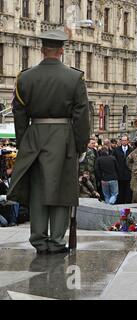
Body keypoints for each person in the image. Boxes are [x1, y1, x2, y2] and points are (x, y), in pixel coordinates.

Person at [6, 30, 90, 254]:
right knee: (62, 191)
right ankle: (56, 240)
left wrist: (25, 143)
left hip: (35, 136)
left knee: (38, 190)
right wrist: (81, 145)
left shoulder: (24, 77)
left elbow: (19, 115)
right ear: (62, 50)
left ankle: (38, 239)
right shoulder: (75, 78)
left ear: (42, 49)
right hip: (63, 138)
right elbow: (82, 116)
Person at [113, 135, 133, 204]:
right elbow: (114, 161)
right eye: (122, 140)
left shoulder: (131, 150)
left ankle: (127, 203)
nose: (124, 142)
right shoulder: (116, 150)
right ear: (121, 141)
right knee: (120, 190)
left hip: (129, 173)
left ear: (128, 141)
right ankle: (120, 203)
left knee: (128, 190)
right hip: (120, 174)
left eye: (125, 140)